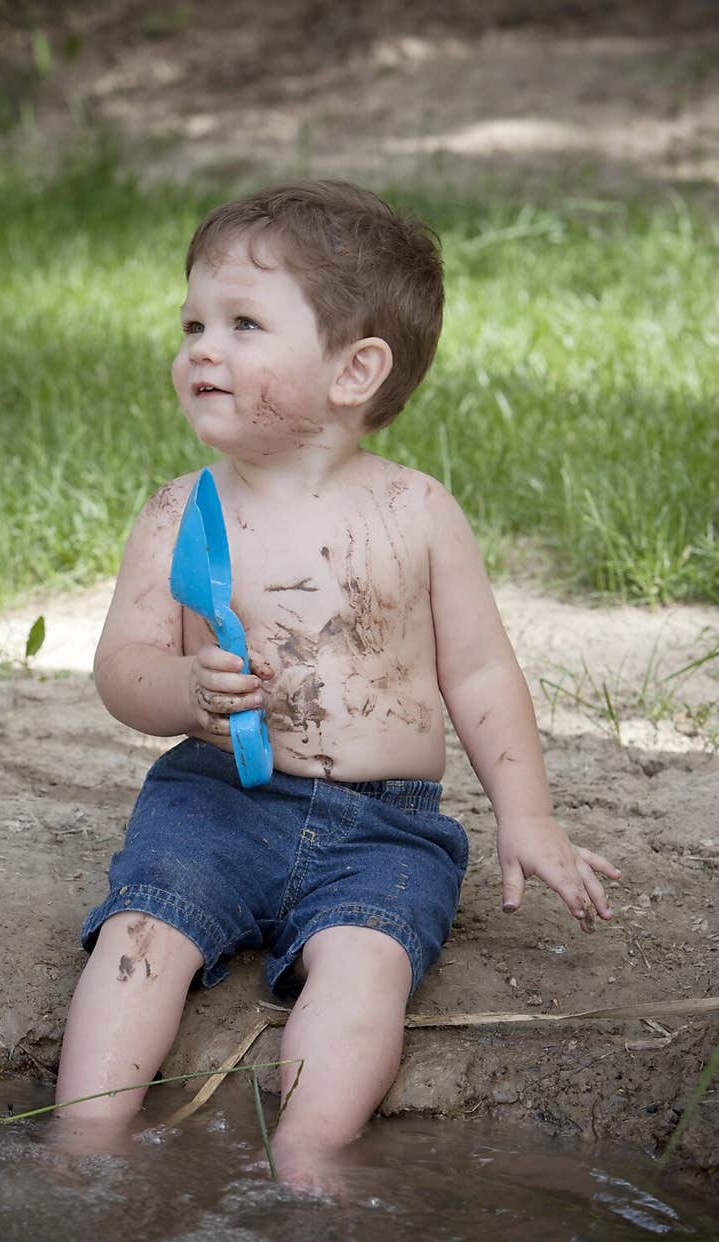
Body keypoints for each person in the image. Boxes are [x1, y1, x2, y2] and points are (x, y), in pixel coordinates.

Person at [53, 180, 620, 1187]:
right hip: (214, 798)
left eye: (240, 324)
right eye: (192, 323)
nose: (199, 349)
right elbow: (122, 670)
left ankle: (311, 1162)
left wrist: (525, 817)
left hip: (384, 827)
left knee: (365, 967)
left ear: (355, 369)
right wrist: (183, 687)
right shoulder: (179, 511)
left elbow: (479, 671)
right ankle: (83, 1142)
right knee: (143, 931)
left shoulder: (417, 510)